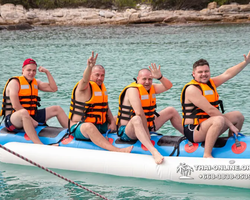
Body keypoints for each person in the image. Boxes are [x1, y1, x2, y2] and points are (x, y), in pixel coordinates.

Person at [180, 51, 250, 158]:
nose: (204, 74)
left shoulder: (211, 83)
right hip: (194, 131)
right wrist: (230, 125)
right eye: (200, 72)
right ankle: (207, 154)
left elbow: (228, 74)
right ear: (194, 74)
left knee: (238, 116)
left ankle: (231, 144)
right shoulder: (192, 89)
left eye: (206, 71)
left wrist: (245, 63)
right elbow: (211, 111)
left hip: (208, 125)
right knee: (218, 119)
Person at [116, 63, 183, 164]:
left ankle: (192, 137)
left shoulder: (152, 88)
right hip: (128, 131)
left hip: (148, 125)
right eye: (144, 79)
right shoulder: (132, 90)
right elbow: (138, 112)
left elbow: (168, 86)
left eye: (150, 79)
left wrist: (160, 77)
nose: (147, 82)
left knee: (171, 110)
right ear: (138, 79)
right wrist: (146, 132)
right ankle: (154, 152)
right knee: (136, 119)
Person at [68, 51, 133, 153]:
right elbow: (84, 80)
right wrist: (89, 67)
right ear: (90, 75)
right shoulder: (84, 87)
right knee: (89, 126)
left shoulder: (101, 88)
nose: (100, 78)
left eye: (102, 75)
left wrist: (112, 121)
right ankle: (116, 150)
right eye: (97, 75)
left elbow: (105, 107)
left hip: (100, 125)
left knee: (121, 119)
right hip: (80, 127)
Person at [0, 58, 68, 145]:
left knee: (57, 109)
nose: (31, 73)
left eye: (34, 70)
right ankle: (39, 144)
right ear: (23, 70)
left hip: (31, 116)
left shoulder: (36, 83)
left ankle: (72, 133)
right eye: (29, 70)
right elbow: (16, 106)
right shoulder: (14, 83)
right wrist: (31, 120)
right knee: (23, 112)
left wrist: (47, 72)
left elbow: (53, 88)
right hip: (13, 120)